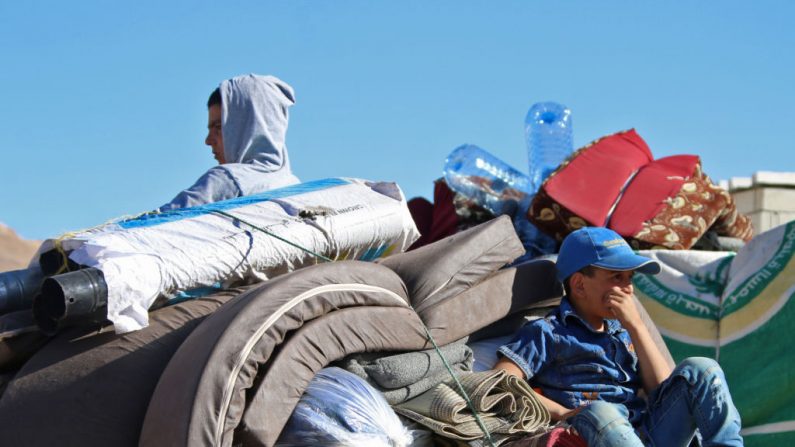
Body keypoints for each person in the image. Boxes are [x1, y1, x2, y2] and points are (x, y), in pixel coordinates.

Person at [494, 227, 743, 446]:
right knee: (601, 410)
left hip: (646, 433)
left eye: (630, 278)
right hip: (596, 431)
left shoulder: (622, 330)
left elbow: (660, 391)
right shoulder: (548, 332)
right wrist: (562, 412)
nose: (629, 288)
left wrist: (636, 326)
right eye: (617, 277)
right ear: (580, 285)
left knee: (703, 369)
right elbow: (501, 381)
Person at [158, 74, 300, 211]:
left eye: (219, 127)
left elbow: (153, 225)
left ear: (248, 127)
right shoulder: (298, 191)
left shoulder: (227, 181)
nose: (208, 141)